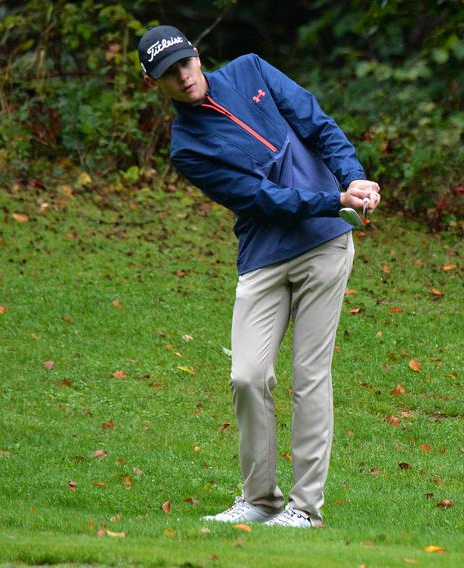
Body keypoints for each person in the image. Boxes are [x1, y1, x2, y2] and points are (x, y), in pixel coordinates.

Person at [137, 25, 380, 528]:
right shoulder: (187, 148)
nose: (183, 78)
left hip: (325, 246)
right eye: (169, 73)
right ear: (153, 83)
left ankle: (304, 510)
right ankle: (259, 499)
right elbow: (261, 199)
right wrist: (334, 199)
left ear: (197, 57)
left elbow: (317, 124)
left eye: (185, 64)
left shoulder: (251, 70)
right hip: (265, 258)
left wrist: (352, 175)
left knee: (309, 378)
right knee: (247, 376)